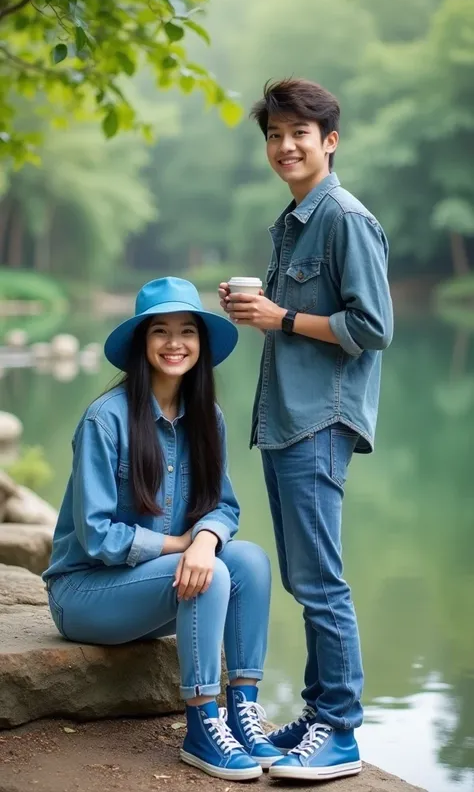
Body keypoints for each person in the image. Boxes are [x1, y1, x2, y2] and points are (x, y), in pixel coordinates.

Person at [219, 79, 393, 782]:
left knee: (321, 583)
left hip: (319, 421)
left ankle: (342, 732)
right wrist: (264, 315)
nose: (285, 146)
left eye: (299, 133)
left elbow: (372, 328)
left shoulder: (344, 218)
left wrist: (280, 319)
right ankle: (322, 712)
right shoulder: (295, 220)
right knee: (303, 577)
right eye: (274, 135)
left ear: (330, 141)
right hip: (289, 418)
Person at [42, 277, 283, 781]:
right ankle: (201, 725)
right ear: (141, 344)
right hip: (85, 592)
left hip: (153, 584)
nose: (175, 343)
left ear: (201, 343)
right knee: (213, 572)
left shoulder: (206, 417)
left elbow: (224, 507)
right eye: (161, 332)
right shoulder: (104, 420)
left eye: (187, 332)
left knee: (251, 562)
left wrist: (207, 538)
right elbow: (97, 536)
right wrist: (187, 546)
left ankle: (242, 712)